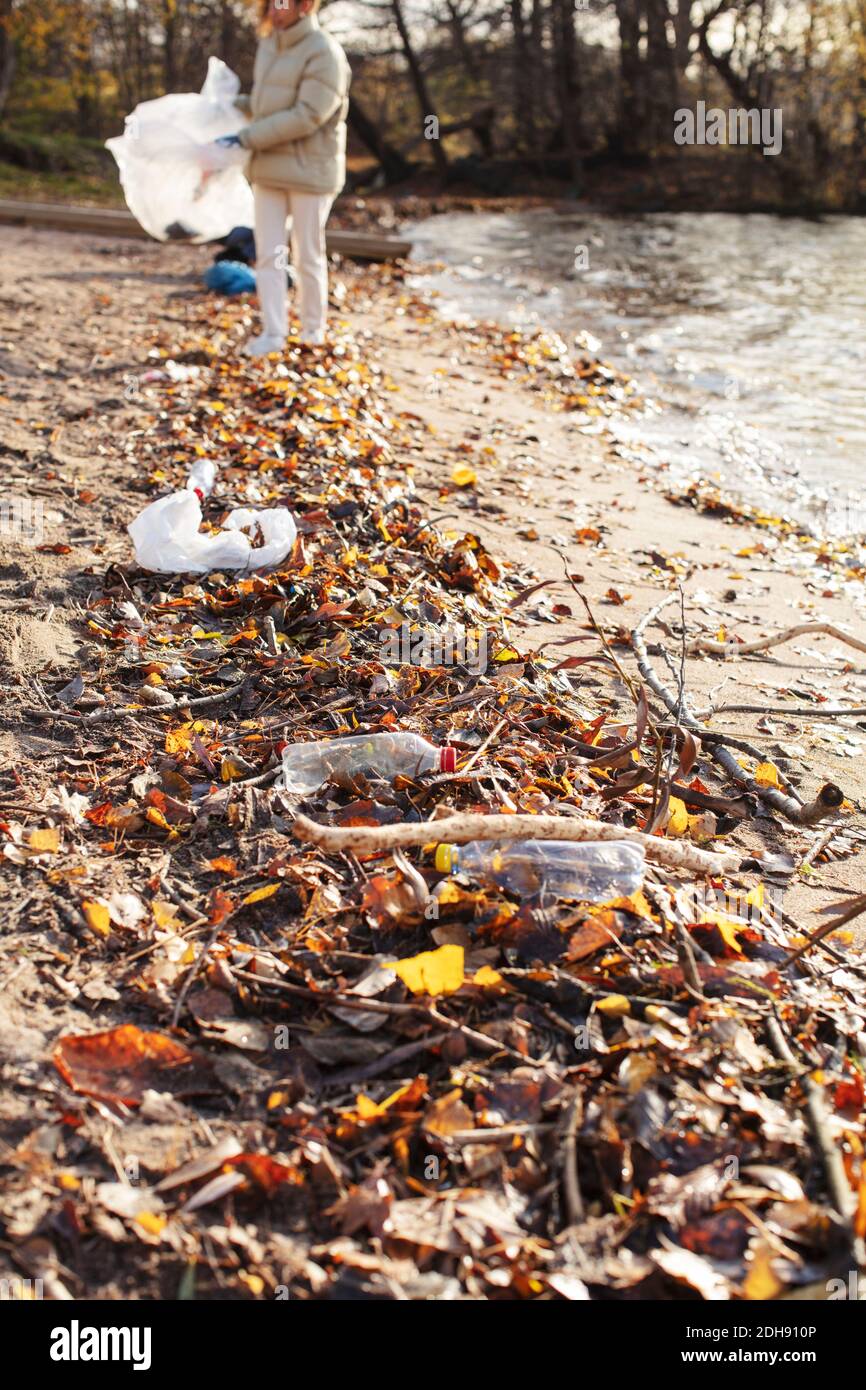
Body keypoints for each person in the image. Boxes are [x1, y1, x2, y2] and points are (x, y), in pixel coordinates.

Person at [220, 0, 351, 355]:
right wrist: (230, 104)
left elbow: (308, 115)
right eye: (270, 3)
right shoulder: (268, 46)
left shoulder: (325, 52)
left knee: (307, 253)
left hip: (310, 171)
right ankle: (273, 333)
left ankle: (313, 330)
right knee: (268, 254)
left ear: (304, 5)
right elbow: (268, 107)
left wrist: (245, 138)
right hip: (267, 169)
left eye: (281, 3)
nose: (274, 11)